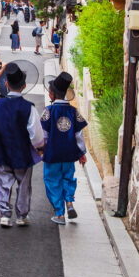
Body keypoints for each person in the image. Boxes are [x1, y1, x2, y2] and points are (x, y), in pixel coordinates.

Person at [0, 63, 44, 227]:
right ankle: (22, 215)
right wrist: (39, 146)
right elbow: (36, 134)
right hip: (23, 152)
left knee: (2, 182)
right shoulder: (29, 108)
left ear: (6, 84)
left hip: (1, 149)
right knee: (24, 184)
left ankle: (4, 215)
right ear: (24, 86)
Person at [40, 72, 88, 225]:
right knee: (68, 177)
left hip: (52, 154)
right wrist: (82, 153)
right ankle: (69, 201)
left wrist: (41, 149)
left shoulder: (48, 111)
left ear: (52, 94)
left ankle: (60, 214)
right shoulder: (73, 111)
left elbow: (44, 134)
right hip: (69, 154)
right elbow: (79, 135)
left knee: (52, 180)